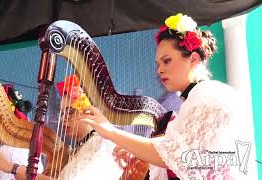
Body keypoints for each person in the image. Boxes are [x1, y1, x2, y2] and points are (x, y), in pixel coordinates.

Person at [72, 13, 257, 179]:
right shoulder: (192, 102)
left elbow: (174, 154)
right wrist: (138, 152)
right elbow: (181, 155)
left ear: (193, 59)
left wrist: (109, 131)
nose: (160, 69)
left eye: (166, 61)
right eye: (158, 63)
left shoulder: (209, 96)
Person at [0, 75, 124, 180]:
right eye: (62, 113)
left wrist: (13, 168)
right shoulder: (81, 147)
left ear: (91, 111)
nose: (64, 119)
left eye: (70, 112)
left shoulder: (103, 144)